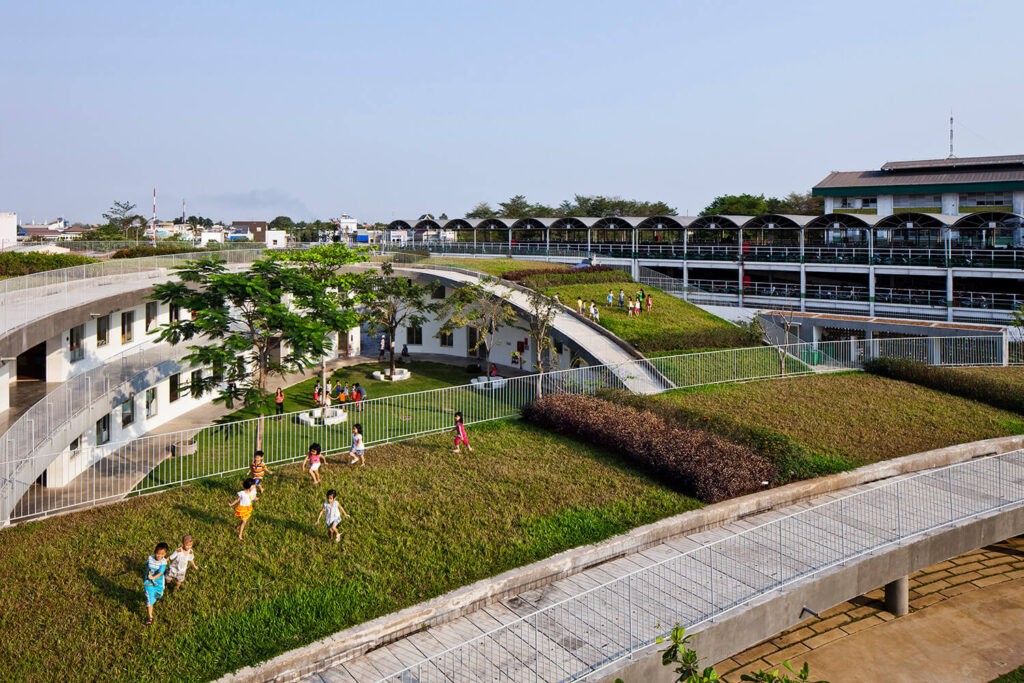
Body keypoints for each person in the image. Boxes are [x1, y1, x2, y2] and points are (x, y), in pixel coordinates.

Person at [143, 542, 169, 625]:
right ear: (155, 552)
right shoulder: (150, 558)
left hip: (159, 583)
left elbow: (161, 573)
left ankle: (157, 598)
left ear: (165, 554)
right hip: (149, 582)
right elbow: (147, 565)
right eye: (158, 553)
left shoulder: (163, 562)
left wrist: (154, 577)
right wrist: (149, 576)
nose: (159, 556)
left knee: (159, 595)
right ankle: (150, 618)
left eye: (162, 554)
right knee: (149, 599)